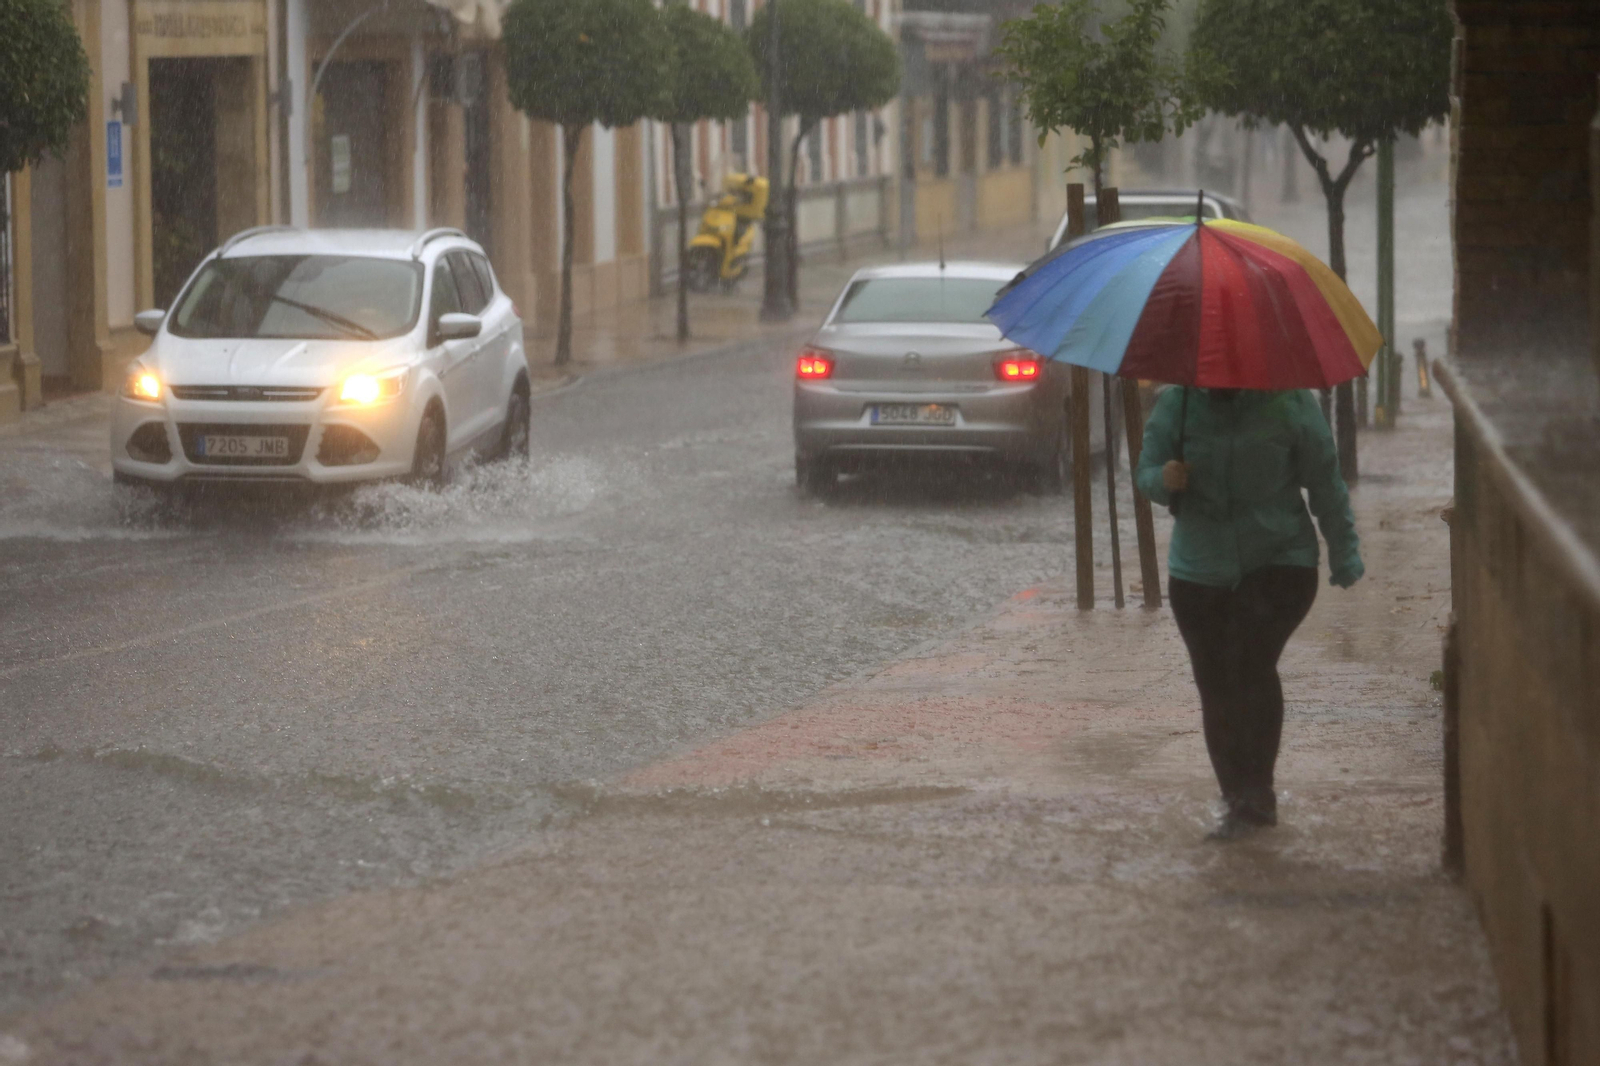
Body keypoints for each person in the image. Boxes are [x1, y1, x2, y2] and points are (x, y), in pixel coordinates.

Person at [1135, 386, 1363, 840]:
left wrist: (1344, 552)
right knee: (1214, 679)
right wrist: (1165, 479)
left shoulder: (1292, 401)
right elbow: (1143, 473)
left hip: (1280, 562)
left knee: (1251, 666)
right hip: (1198, 569)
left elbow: (1325, 481)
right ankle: (1235, 796)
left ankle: (1257, 794)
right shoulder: (1176, 404)